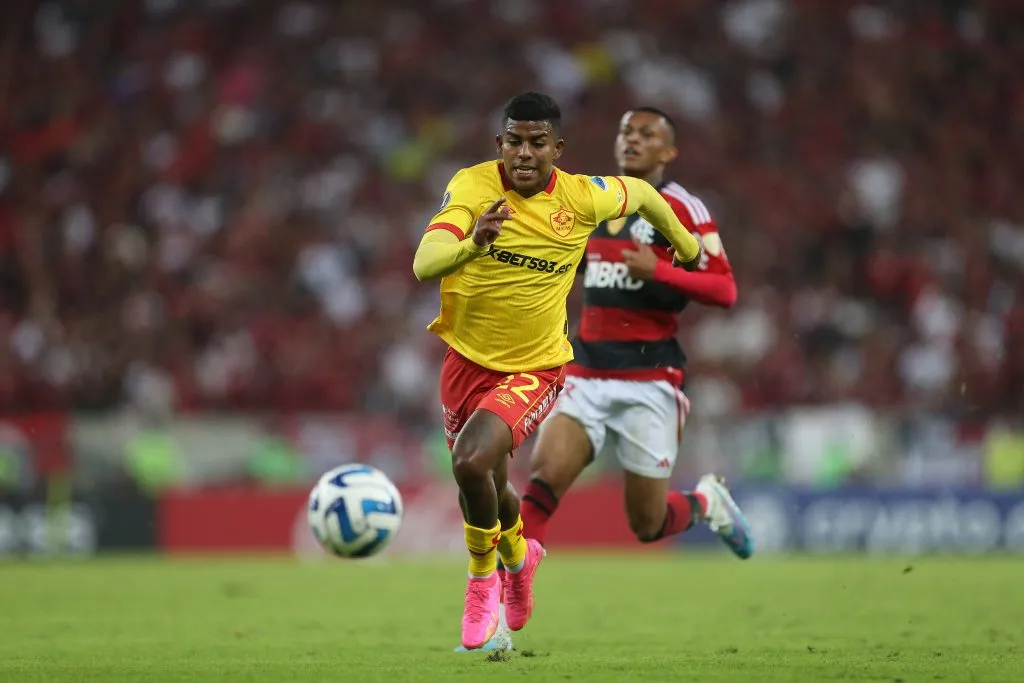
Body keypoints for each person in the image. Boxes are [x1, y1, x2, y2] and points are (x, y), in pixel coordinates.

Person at [412, 93, 704, 651]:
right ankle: (519, 560)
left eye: (537, 142)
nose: (525, 153)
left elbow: (642, 193)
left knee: (470, 461)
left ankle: (481, 583)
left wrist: (686, 247)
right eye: (515, 141)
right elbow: (424, 262)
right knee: (491, 484)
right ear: (500, 145)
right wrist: (473, 244)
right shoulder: (473, 188)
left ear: (557, 149)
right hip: (465, 361)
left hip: (536, 367)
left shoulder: (582, 197)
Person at [518, 107, 754, 558]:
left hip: (649, 379)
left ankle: (708, 502)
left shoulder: (684, 206)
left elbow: (724, 289)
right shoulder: (593, 198)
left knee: (647, 523)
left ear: (668, 151)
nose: (633, 139)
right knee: (540, 487)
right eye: (626, 131)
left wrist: (660, 271)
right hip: (584, 372)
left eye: (647, 134)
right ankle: (502, 617)